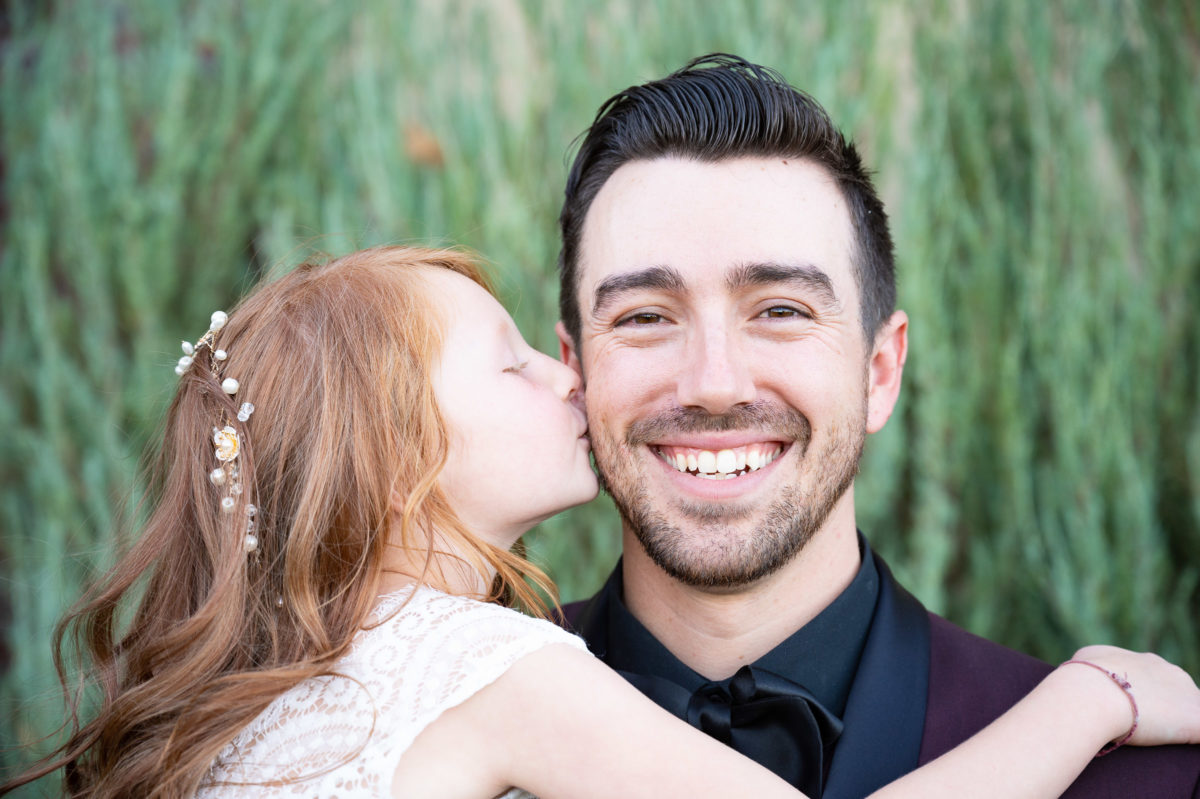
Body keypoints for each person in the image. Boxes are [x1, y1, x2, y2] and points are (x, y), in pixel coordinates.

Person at [1, 246, 1197, 799]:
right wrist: (1096, 693)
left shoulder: (257, 703)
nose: (569, 379)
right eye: (515, 362)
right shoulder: (479, 666)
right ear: (401, 454)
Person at [554, 53, 1200, 798]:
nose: (715, 383)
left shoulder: (1146, 780)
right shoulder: (425, 729)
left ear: (880, 371)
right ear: (576, 372)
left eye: (781, 310)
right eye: (644, 317)